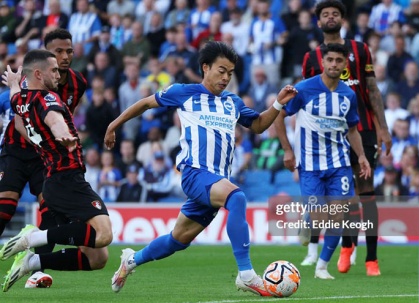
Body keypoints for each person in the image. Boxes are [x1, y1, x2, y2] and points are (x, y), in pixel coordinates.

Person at [103, 41, 297, 295]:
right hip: (195, 173)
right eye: (221, 70)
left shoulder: (233, 102)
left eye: (230, 72)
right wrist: (113, 126)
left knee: (177, 240)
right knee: (237, 197)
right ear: (205, 68)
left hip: (215, 180)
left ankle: (130, 261)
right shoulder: (184, 92)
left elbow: (259, 125)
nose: (226, 77)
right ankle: (247, 274)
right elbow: (145, 103)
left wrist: (278, 105)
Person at [0, 49, 113, 292]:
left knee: (98, 258)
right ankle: (32, 237)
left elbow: (14, 97)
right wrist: (63, 134)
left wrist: (12, 83)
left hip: (54, 181)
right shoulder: (47, 99)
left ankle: (34, 262)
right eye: (53, 70)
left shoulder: (22, 100)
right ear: (39, 74)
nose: (58, 74)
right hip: (67, 180)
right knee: (103, 234)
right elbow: (54, 119)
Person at [299, 0, 392, 276]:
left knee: (366, 193)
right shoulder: (311, 58)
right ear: (318, 22)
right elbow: (305, 100)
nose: (330, 17)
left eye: (335, 13)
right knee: (344, 198)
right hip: (328, 138)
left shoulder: (361, 50)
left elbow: (372, 89)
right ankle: (348, 246)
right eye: (325, 14)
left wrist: (383, 127)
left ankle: (371, 259)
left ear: (343, 19)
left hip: (361, 129)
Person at [275, 43, 371, 279]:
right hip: (309, 166)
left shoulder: (348, 95)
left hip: (339, 164)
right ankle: (309, 217)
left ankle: (322, 267)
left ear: (344, 64)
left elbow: (352, 130)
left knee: (339, 215)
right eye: (330, 60)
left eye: (339, 61)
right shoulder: (304, 89)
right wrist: (288, 150)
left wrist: (361, 156)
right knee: (319, 217)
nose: (334, 64)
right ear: (323, 62)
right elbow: (279, 117)